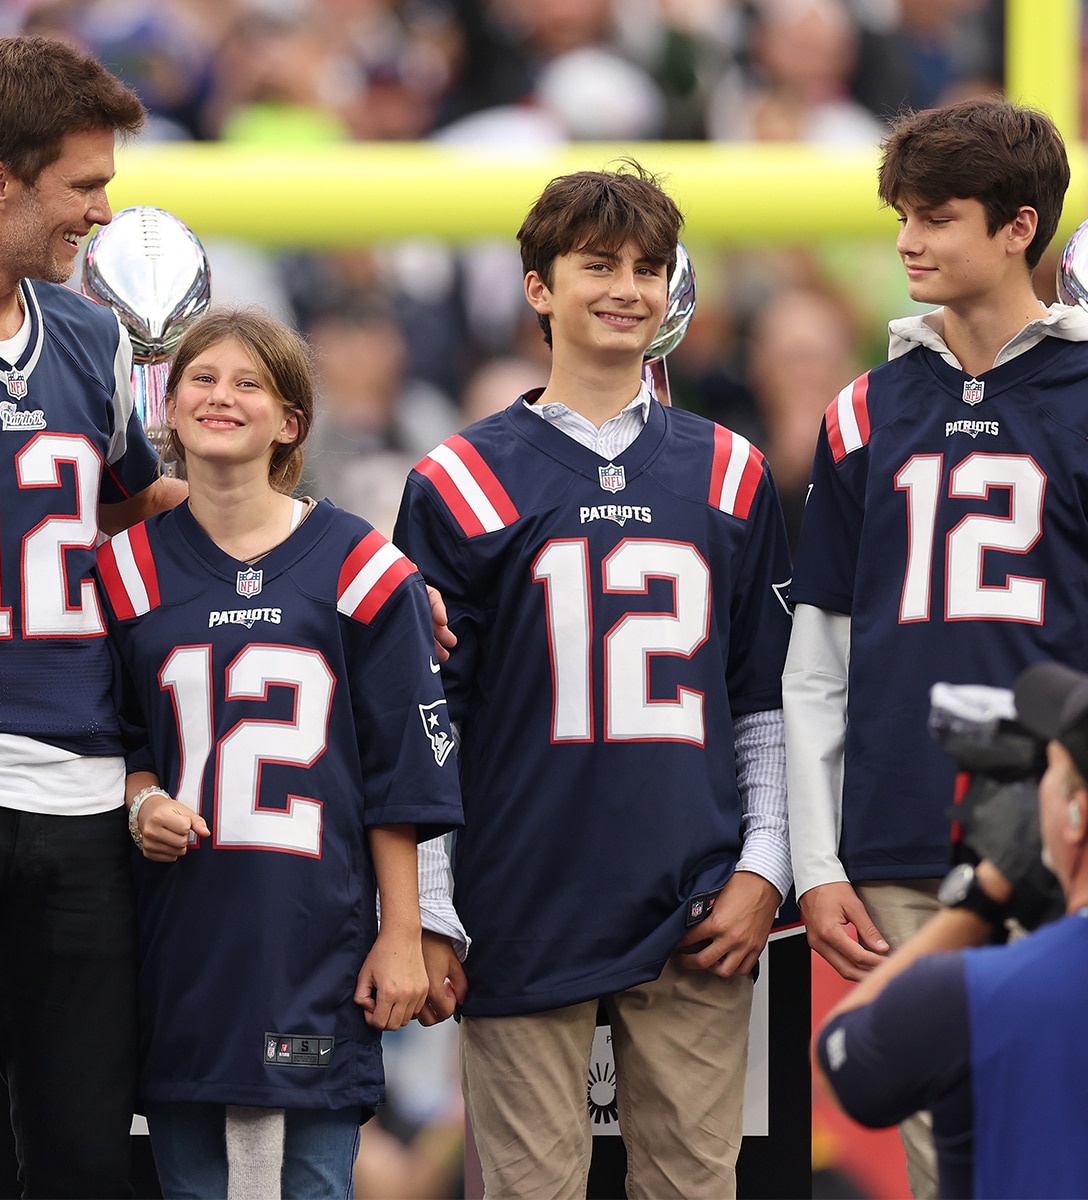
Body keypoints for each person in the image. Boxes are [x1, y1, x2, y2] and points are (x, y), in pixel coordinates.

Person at [395, 161, 794, 1199]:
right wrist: (433, 905)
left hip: (695, 897)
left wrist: (764, 865)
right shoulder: (460, 479)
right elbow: (428, 716)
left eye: (649, 267)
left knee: (695, 1188)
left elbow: (761, 696)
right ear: (539, 286)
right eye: (598, 264)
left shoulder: (732, 470)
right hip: (521, 894)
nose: (627, 287)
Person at [0, 34, 188, 1199]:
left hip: (76, 770)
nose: (104, 215)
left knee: (78, 1146)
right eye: (85, 185)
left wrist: (345, 558)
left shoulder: (90, 336)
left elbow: (138, 503)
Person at [783, 96, 1088, 1197]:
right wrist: (818, 864)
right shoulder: (863, 411)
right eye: (902, 215)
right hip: (904, 836)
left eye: (938, 216)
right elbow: (819, 662)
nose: (907, 239)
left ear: (1018, 227)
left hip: (1066, 843)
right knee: (937, 1169)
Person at [94, 307, 464, 1200]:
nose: (223, 397)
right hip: (182, 940)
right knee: (187, 1178)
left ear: (292, 420)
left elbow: (400, 772)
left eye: (250, 381)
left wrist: (403, 933)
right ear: (168, 408)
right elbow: (121, 742)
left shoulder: (361, 565)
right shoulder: (125, 572)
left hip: (315, 932)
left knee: (313, 1181)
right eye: (202, 379)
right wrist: (144, 802)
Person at [815, 660, 1088, 1199]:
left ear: (1075, 812)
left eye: (1050, 770)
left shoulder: (972, 992)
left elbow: (839, 1062)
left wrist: (982, 896)